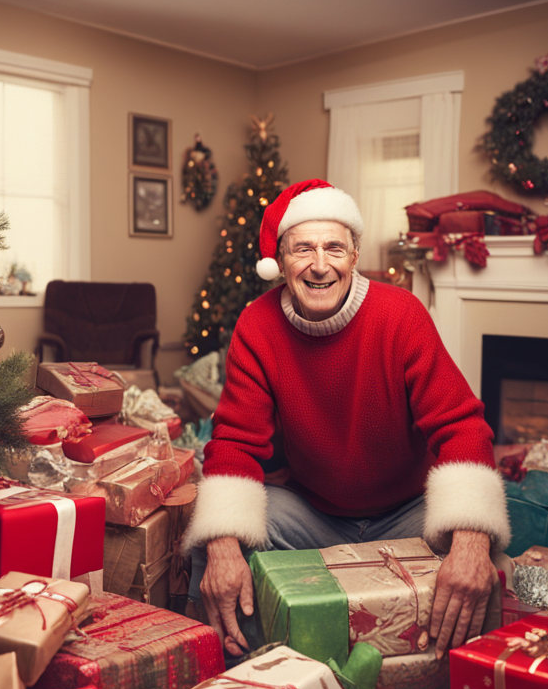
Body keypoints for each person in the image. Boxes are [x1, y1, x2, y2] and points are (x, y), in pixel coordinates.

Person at [182, 179, 510, 660]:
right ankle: (235, 673)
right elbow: (234, 440)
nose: (319, 265)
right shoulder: (257, 324)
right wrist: (225, 546)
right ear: (281, 262)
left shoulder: (401, 315)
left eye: (334, 247)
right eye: (303, 249)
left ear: (354, 255)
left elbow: (460, 425)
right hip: (314, 514)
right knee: (213, 544)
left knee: (487, 558)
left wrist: (470, 541)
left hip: (407, 511)